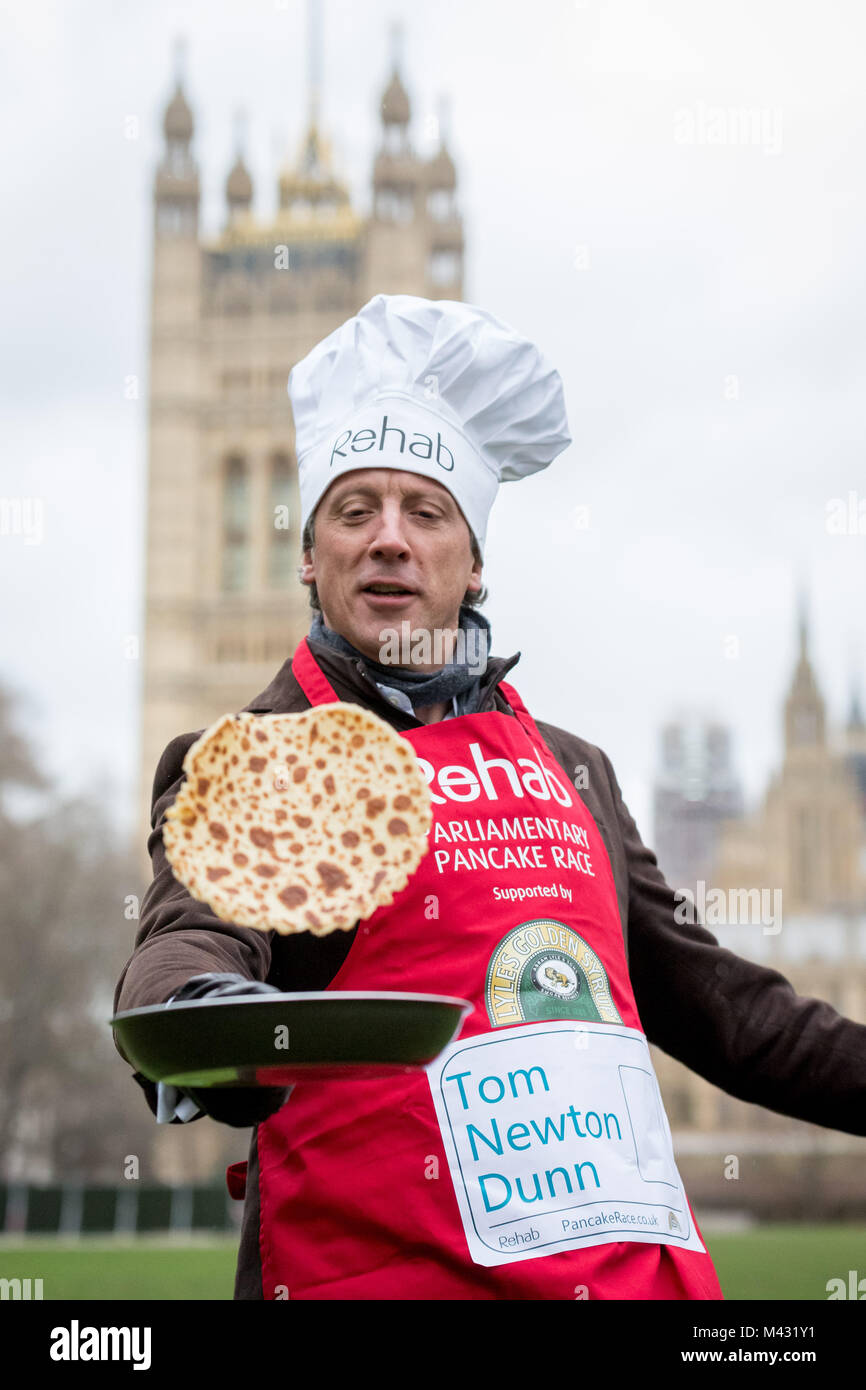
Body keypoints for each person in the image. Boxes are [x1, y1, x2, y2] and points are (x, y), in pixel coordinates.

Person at [114, 294, 866, 1301]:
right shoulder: (259, 757)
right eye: (353, 509)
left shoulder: (575, 769)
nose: (389, 538)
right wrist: (205, 1013)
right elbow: (186, 940)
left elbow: (730, 1012)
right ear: (308, 555)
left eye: (424, 511)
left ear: (472, 563)